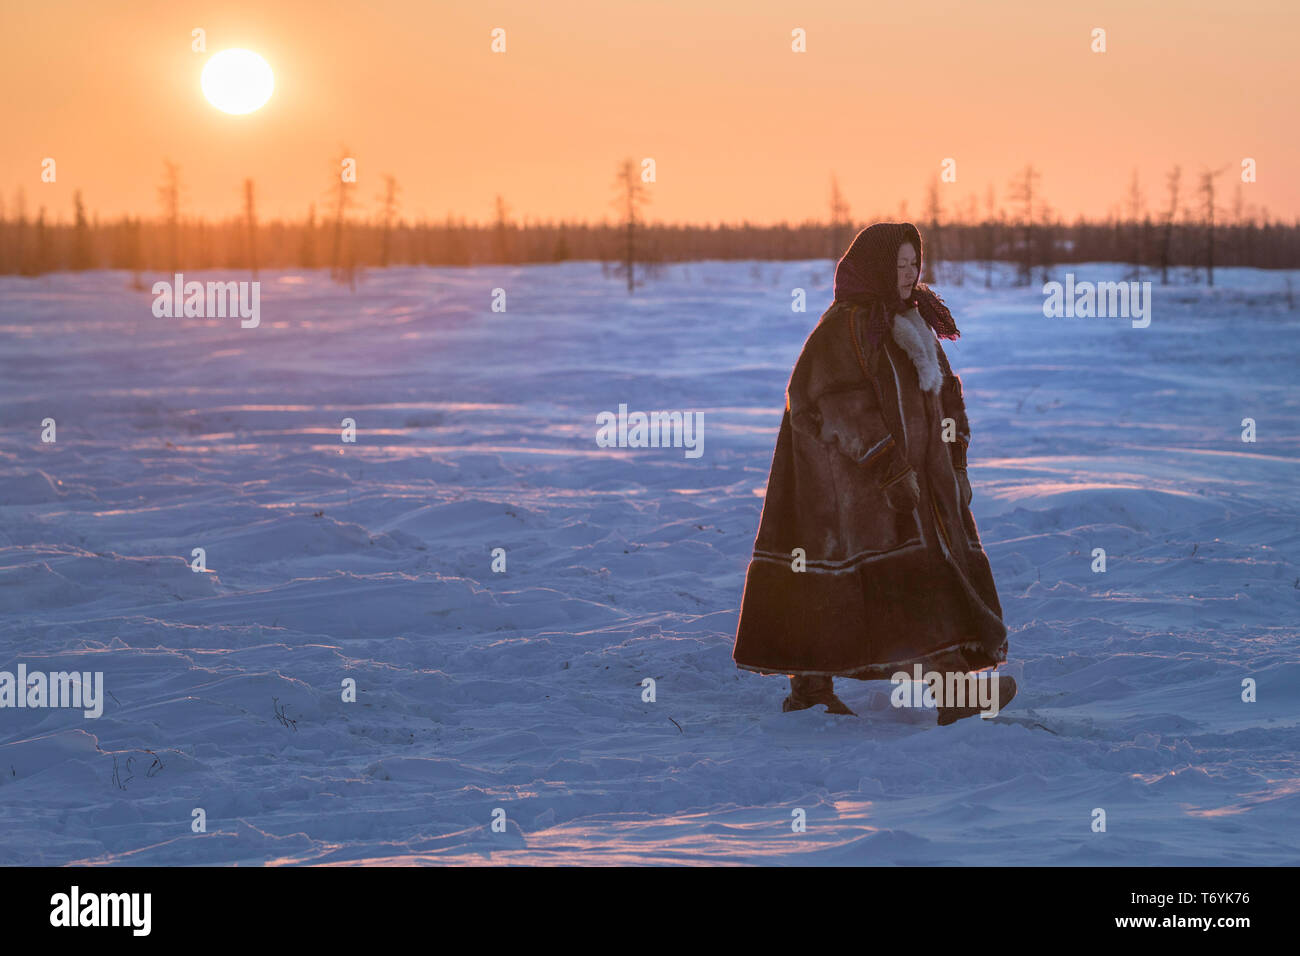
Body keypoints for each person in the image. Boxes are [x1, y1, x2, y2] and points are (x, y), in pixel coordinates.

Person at [732, 222, 1014, 725]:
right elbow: (827, 401)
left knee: (920, 578)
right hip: (841, 487)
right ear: (878, 268)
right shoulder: (847, 326)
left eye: (914, 266)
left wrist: (955, 461)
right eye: (899, 266)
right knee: (831, 585)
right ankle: (812, 690)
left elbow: (945, 396)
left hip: (912, 485)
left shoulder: (912, 321)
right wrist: (885, 464)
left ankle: (947, 691)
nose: (909, 276)